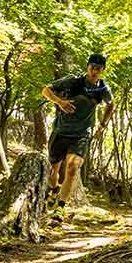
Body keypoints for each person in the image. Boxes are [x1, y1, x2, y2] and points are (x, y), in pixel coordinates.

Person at [41, 53, 114, 211]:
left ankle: (60, 208)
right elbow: (46, 90)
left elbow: (111, 104)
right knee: (53, 169)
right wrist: (60, 102)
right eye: (92, 67)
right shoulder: (72, 81)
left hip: (82, 134)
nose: (94, 71)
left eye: (98, 69)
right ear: (87, 66)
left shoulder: (103, 88)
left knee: (72, 167)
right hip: (61, 131)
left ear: (103, 70)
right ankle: (53, 191)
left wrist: (102, 124)